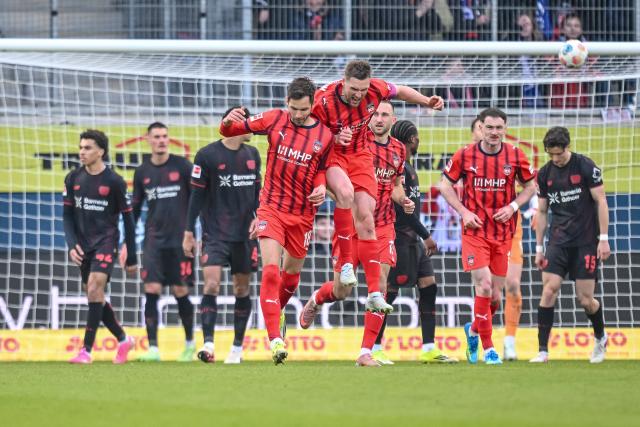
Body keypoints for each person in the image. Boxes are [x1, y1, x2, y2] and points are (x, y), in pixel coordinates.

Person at [313, 59, 443, 316]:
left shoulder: (376, 90)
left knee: (367, 217)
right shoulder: (324, 99)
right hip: (335, 156)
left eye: (363, 90)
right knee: (347, 195)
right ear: (344, 81)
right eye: (354, 90)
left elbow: (402, 90)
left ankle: (374, 294)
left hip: (360, 155)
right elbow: (310, 133)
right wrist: (333, 137)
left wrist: (426, 100)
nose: (358, 95)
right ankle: (345, 268)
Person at [219, 77, 333, 364]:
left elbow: (320, 169)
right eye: (293, 108)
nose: (297, 115)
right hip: (271, 208)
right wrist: (227, 122)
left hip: (303, 215)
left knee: (290, 278)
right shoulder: (274, 119)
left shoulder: (325, 135)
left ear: (312, 105)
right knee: (270, 272)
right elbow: (230, 129)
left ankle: (276, 312)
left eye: (303, 110)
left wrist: (320, 187)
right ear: (287, 103)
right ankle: (275, 340)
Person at [299, 101, 414, 367]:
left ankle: (366, 351)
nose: (379, 119)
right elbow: (335, 183)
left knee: (381, 283)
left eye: (385, 114)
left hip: (382, 225)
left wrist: (403, 199)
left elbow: (395, 185)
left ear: (393, 119)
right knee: (342, 290)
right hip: (350, 227)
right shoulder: (352, 147)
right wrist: (340, 196)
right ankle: (317, 299)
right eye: (375, 114)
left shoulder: (398, 149)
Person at [440, 108, 536, 365]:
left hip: (503, 234)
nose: (494, 132)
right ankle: (489, 348)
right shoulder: (465, 154)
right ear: (480, 128)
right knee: (482, 285)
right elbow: (444, 184)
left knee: (494, 296)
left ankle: (473, 330)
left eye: (499, 128)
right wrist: (462, 211)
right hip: (475, 232)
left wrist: (513, 207)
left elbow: (530, 187)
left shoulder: (515, 155)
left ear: (505, 129)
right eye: (489, 127)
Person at [371, 119, 458, 365]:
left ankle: (429, 347)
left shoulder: (408, 168)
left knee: (429, 287)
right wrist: (426, 235)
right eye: (417, 136)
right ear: (411, 139)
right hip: (398, 239)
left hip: (413, 242)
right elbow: (401, 212)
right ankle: (374, 347)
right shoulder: (399, 171)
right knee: (389, 294)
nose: (419, 140)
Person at [183, 107, 261, 365]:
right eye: (248, 122)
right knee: (212, 284)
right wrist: (188, 232)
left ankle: (237, 349)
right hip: (215, 234)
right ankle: (207, 343)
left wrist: (261, 216)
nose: (252, 126)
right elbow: (195, 197)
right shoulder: (206, 155)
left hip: (244, 235)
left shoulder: (253, 155)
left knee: (242, 288)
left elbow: (258, 193)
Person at [531, 126, 611, 364]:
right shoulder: (544, 174)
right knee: (548, 290)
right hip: (557, 242)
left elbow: (601, 201)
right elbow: (542, 211)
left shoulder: (586, 167)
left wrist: (604, 239)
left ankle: (600, 337)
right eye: (551, 155)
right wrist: (538, 247)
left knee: (585, 299)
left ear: (568, 147)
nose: (556, 159)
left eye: (559, 154)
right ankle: (543, 350)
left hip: (586, 242)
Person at [64, 129, 137, 364]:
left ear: (101, 152)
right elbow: (67, 216)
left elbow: (128, 218)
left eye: (87, 148)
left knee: (95, 288)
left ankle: (86, 351)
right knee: (94, 293)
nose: (82, 152)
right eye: (81, 147)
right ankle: (124, 339)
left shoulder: (114, 181)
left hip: (106, 242)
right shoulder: (73, 178)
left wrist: (132, 253)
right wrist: (72, 244)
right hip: (83, 245)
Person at [127, 122, 196, 362]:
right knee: (151, 290)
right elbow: (134, 210)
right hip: (153, 242)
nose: (162, 140)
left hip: (180, 242)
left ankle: (189, 345)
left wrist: (197, 234)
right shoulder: (142, 172)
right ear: (148, 139)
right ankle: (153, 349)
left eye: (165, 136)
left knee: (180, 291)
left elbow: (197, 200)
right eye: (156, 137)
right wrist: (126, 244)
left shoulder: (183, 166)